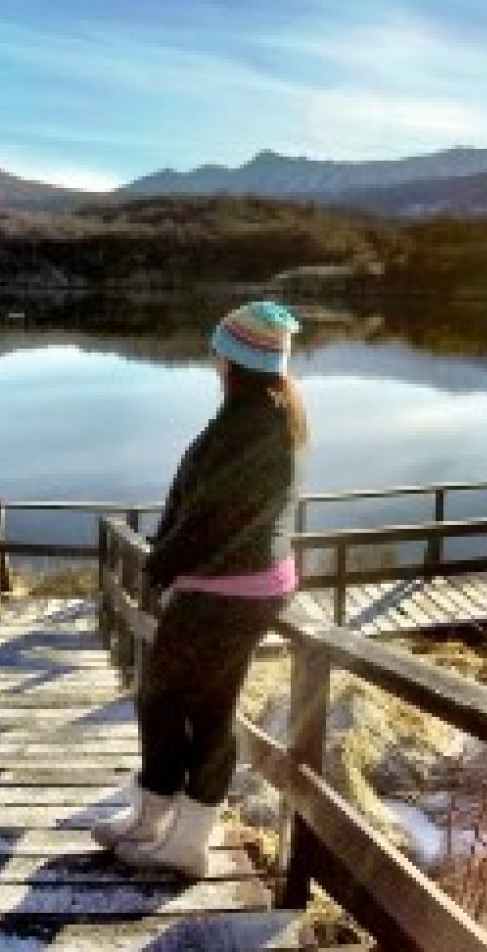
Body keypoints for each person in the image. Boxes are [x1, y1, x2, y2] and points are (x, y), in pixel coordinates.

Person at [94, 301, 307, 877]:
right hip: (232, 582)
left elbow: (211, 517)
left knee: (195, 709)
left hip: (232, 589)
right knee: (166, 700)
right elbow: (201, 503)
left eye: (219, 346)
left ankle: (187, 841)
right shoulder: (256, 414)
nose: (212, 355)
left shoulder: (253, 425)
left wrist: (160, 567)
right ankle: (153, 816)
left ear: (233, 357)